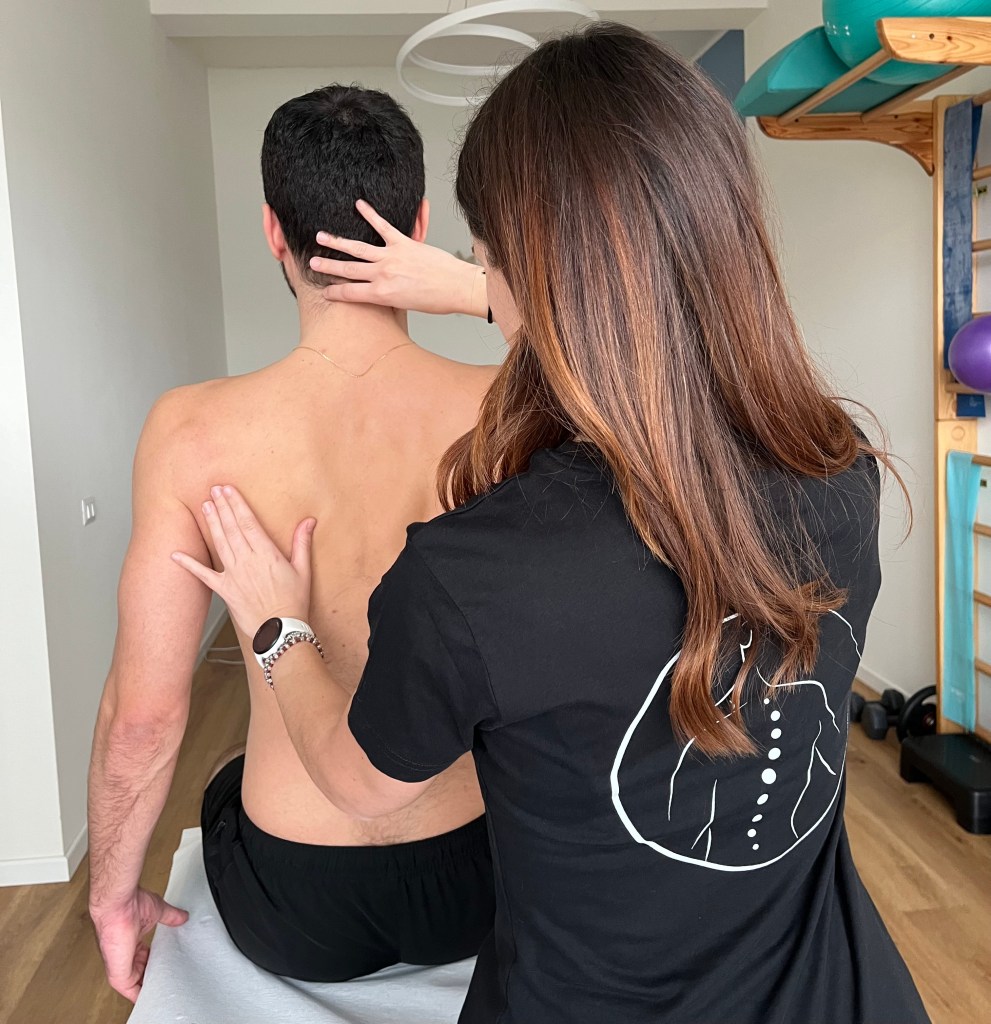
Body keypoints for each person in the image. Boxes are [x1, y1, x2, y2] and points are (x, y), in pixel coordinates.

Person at [173, 25, 930, 1024]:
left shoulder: (477, 571)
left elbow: (359, 786)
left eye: (485, 262)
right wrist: (487, 284)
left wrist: (277, 625)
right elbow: (646, 331)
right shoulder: (840, 470)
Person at [88, 84, 497, 1002]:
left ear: (274, 231)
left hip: (294, 904)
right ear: (418, 225)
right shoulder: (507, 409)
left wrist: (112, 899)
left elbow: (144, 718)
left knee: (228, 783)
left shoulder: (189, 430)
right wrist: (479, 293)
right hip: (478, 877)